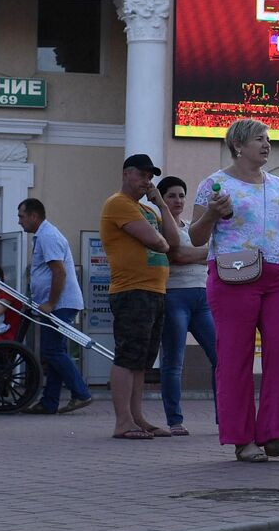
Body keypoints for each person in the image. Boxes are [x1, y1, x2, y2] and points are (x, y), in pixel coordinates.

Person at [191, 119, 279, 462]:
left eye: (268, 139)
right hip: (233, 275)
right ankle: (242, 439)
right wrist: (212, 215)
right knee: (234, 357)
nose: (266, 144)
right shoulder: (214, 184)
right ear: (239, 146)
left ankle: (278, 436)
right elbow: (197, 238)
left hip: (278, 277)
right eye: (259, 139)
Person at [101, 154, 180, 440]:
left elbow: (174, 240)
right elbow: (158, 241)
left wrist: (160, 202)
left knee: (142, 361)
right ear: (127, 174)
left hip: (154, 290)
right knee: (128, 356)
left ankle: (137, 418)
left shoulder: (150, 210)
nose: (148, 181)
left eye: (150, 176)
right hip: (132, 290)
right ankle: (123, 422)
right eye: (143, 175)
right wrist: (164, 242)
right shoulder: (118, 204)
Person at [19, 198, 95, 416]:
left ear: (34, 216)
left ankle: (80, 392)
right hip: (57, 303)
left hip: (60, 304)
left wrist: (50, 303)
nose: (19, 221)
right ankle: (49, 402)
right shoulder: (43, 235)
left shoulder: (48, 236)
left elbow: (59, 272)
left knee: (52, 350)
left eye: (21, 216)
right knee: (55, 352)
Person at [156, 175, 216, 435]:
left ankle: (225, 416)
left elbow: (212, 255)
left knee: (221, 358)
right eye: (171, 196)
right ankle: (175, 420)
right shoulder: (160, 227)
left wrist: (194, 255)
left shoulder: (193, 227)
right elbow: (176, 254)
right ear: (162, 199)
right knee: (173, 361)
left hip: (203, 298)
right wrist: (199, 255)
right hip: (174, 297)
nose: (178, 200)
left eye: (181, 195)